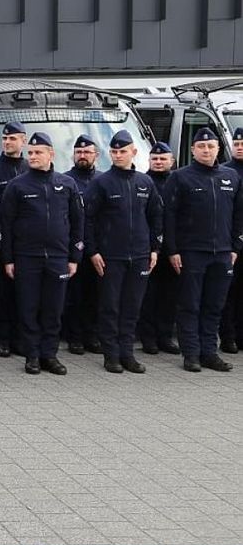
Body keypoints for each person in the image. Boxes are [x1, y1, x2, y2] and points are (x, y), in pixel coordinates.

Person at [0, 132, 83, 375]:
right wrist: (9, 259)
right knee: (28, 309)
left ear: (51, 154)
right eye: (31, 153)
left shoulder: (66, 184)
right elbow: (7, 225)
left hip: (58, 258)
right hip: (27, 258)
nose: (33, 156)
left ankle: (50, 355)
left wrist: (74, 257)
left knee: (54, 309)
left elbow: (78, 222)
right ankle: (32, 356)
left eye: (38, 152)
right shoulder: (18, 186)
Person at [161, 126, 243, 372]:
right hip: (191, 252)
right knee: (190, 305)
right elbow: (170, 216)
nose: (206, 150)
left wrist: (236, 246)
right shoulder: (180, 177)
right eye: (201, 147)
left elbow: (239, 214)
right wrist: (173, 250)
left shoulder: (230, 177)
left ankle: (209, 352)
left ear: (218, 149)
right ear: (193, 150)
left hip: (223, 253)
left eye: (210, 146)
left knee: (214, 305)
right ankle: (191, 354)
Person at [83, 130, 162, 374]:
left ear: (133, 152)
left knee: (132, 307)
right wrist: (93, 251)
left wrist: (155, 248)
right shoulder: (101, 183)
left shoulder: (144, 182)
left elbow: (156, 216)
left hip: (139, 255)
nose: (118, 155)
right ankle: (111, 355)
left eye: (123, 151)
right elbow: (89, 219)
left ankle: (127, 354)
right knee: (110, 307)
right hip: (110, 257)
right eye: (114, 152)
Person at [0, 121, 27, 358]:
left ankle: (20, 339)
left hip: (25, 244)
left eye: (12, 138)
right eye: (5, 139)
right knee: (0, 296)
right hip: (1, 243)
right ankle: (1, 339)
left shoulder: (30, 168)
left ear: (24, 140)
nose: (8, 142)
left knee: (23, 295)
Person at [138, 142, 181, 355]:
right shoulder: (143, 182)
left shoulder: (178, 181)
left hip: (172, 248)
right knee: (149, 295)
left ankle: (165, 337)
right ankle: (148, 338)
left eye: (163, 158)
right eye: (154, 159)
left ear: (172, 162)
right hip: (149, 248)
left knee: (170, 295)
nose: (158, 162)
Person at [63, 134, 103, 355]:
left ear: (96, 155)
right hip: (74, 246)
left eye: (87, 152)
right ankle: (75, 338)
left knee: (95, 295)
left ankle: (92, 336)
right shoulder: (66, 180)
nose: (83, 156)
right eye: (79, 152)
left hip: (97, 247)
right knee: (74, 296)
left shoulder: (103, 180)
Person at [219, 127, 243, 354]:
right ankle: (228, 337)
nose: (239, 148)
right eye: (237, 144)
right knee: (228, 292)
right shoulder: (225, 172)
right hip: (231, 244)